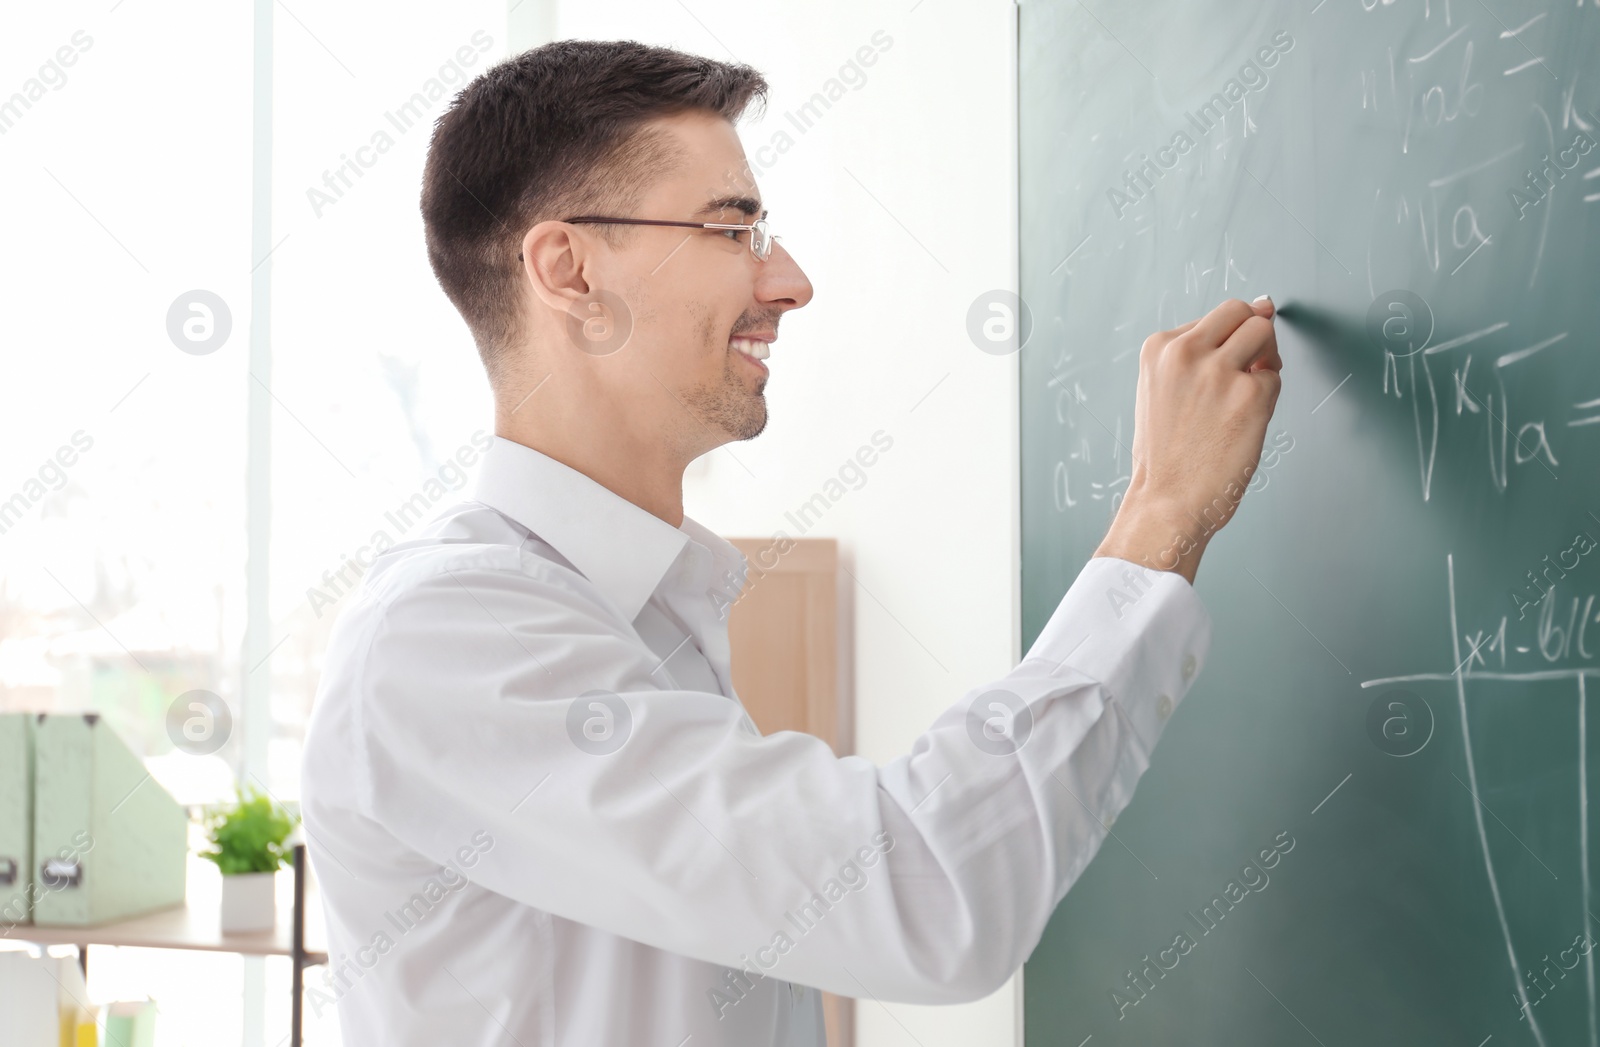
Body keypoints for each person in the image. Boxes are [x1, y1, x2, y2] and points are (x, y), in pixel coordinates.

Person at [300, 38, 1282, 1047]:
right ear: (570, 271)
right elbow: (920, 893)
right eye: (733, 230)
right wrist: (1160, 515)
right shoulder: (450, 636)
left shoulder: (639, 609)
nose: (791, 282)